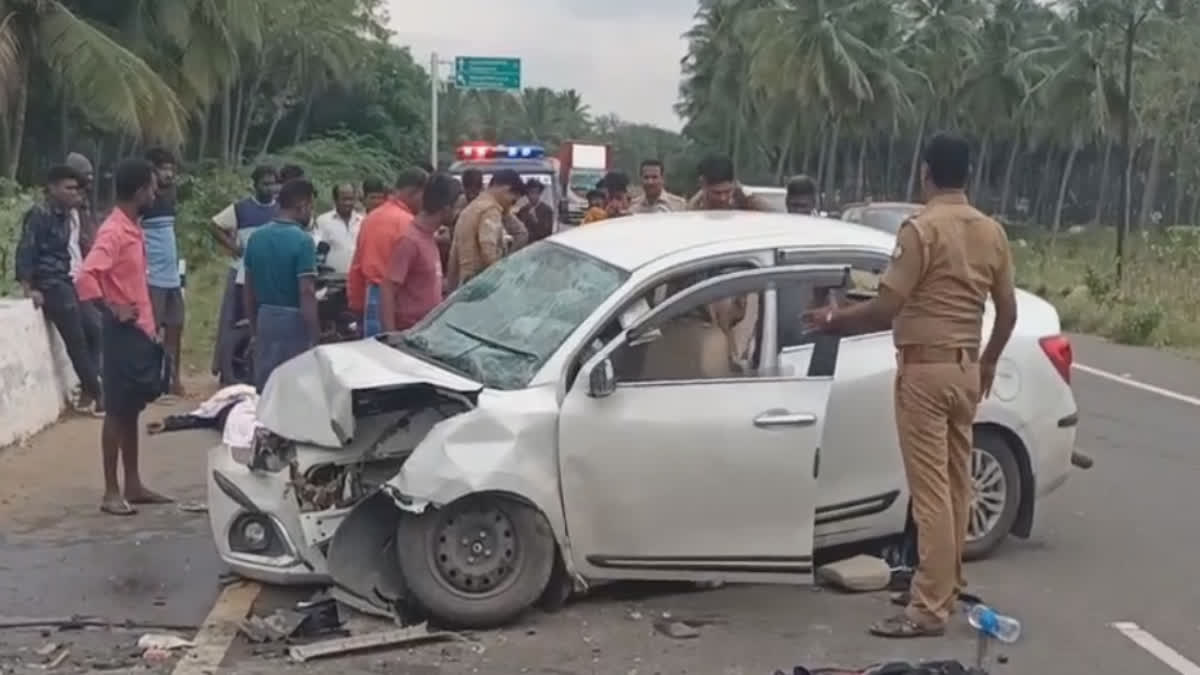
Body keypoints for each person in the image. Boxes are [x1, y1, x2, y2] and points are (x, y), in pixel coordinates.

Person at [805, 132, 1017, 639]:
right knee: (956, 484)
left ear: (926, 173)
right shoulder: (991, 232)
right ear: (967, 175)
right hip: (966, 369)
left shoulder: (922, 231)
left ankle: (927, 609)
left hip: (924, 371)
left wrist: (833, 318)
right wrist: (986, 364)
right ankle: (945, 582)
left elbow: (885, 307)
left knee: (931, 494)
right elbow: (1007, 311)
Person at [76, 158, 169, 516]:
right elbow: (86, 275)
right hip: (121, 331)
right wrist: (112, 308)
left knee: (130, 409)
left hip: (138, 331)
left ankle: (133, 483)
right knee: (116, 410)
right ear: (140, 190)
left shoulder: (131, 227)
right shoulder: (114, 231)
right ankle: (111, 491)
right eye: (152, 186)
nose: (156, 192)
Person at [15, 165, 104, 415]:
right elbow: (26, 250)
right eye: (69, 188)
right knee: (75, 338)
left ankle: (91, 389)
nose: (74, 193)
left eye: (76, 188)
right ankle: (97, 394)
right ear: (52, 188)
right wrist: (28, 287)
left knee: (93, 328)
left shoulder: (68, 214)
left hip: (66, 279)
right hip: (49, 283)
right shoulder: (39, 214)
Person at [243, 179, 321, 391]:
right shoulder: (303, 241)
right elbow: (306, 291)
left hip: (265, 319)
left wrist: (253, 330)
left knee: (266, 388)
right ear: (302, 205)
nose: (310, 212)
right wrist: (314, 336)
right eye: (311, 206)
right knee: (294, 388)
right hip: (293, 322)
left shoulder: (256, 238)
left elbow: (248, 290)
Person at [210, 166, 279, 385]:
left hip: (269, 275)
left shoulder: (280, 209)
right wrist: (232, 246)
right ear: (255, 185)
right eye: (265, 184)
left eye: (273, 183)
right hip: (241, 273)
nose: (269, 188)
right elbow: (214, 225)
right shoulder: (241, 208)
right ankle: (228, 369)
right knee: (234, 323)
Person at [348, 167, 427, 337]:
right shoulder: (409, 224)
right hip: (397, 304)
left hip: (371, 300)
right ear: (415, 192)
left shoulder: (371, 219)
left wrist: (356, 306)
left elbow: (357, 266)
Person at [381, 173, 460, 332]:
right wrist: (391, 335)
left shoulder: (429, 237)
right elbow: (388, 288)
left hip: (425, 332)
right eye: (457, 206)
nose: (459, 212)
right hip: (408, 334)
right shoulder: (410, 241)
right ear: (446, 209)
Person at [142, 148, 186, 397]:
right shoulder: (143, 202)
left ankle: (172, 379)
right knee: (150, 331)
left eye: (171, 169)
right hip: (152, 276)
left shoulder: (169, 199)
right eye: (163, 168)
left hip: (171, 277)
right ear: (152, 170)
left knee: (175, 327)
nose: (169, 174)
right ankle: (149, 381)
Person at [446, 169, 526, 289]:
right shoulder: (491, 210)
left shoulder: (474, 207)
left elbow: (454, 253)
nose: (511, 205)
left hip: (463, 282)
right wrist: (502, 274)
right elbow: (488, 250)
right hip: (478, 283)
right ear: (506, 190)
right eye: (513, 200)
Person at [66, 151, 104, 369]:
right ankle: (94, 382)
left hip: (86, 273)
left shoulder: (84, 207)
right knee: (94, 326)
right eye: (84, 178)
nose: (88, 183)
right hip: (71, 277)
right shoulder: (63, 210)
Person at [688, 156, 772, 211]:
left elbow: (772, 214)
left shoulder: (742, 203)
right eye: (717, 193)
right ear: (703, 184)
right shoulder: (695, 209)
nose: (723, 198)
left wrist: (746, 197)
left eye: (727, 191)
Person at [313, 183, 364, 274]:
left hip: (357, 279)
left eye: (351, 199)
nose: (348, 203)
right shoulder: (323, 221)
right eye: (344, 199)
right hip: (332, 280)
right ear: (335, 200)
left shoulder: (363, 221)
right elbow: (318, 251)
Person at [516, 178, 554, 243]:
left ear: (540, 193)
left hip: (538, 246)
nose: (532, 196)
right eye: (530, 193)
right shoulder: (523, 210)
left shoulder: (547, 210)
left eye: (535, 192)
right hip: (524, 245)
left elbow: (547, 233)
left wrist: (535, 220)